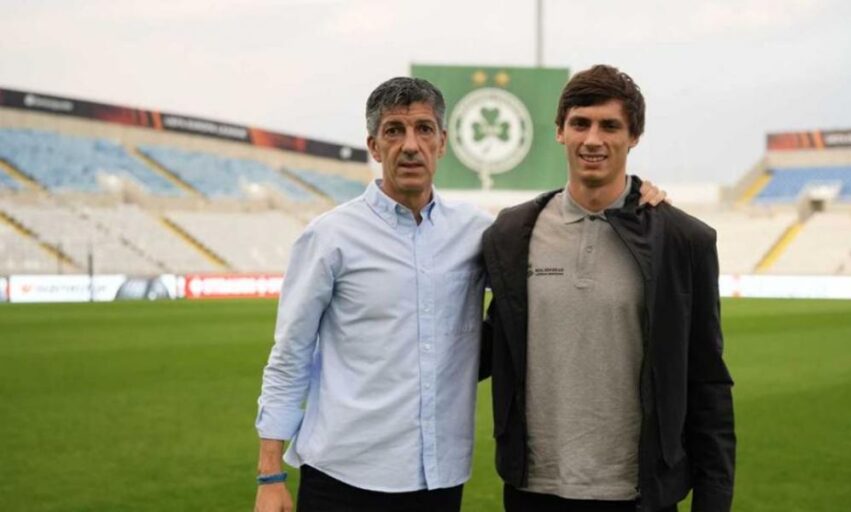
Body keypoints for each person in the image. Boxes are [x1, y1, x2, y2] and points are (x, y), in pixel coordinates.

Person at [253, 76, 666, 512]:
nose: (410, 145)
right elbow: (289, 357)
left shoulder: (478, 232)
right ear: (374, 146)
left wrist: (637, 197)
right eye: (394, 131)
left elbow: (555, 262)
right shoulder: (329, 237)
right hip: (344, 475)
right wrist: (270, 475)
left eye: (424, 129)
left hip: (440, 479)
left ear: (443, 142)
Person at [481, 65, 736, 512]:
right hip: (533, 489)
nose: (593, 140)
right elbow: (483, 343)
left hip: (639, 494)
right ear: (560, 131)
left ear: (633, 135)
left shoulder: (681, 240)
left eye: (610, 126)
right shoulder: (511, 232)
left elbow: (707, 379)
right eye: (580, 123)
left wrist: (713, 499)